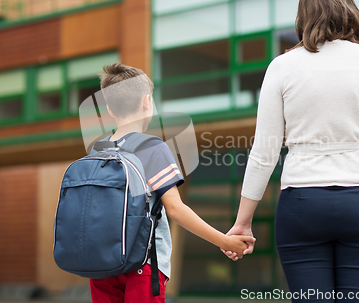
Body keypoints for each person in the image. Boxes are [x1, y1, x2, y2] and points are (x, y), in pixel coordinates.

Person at [222, 0, 359, 302]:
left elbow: (264, 154)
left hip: (303, 206)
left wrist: (243, 222)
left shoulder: (281, 67)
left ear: (303, 14)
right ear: (349, 9)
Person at [88, 63, 255, 303]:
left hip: (103, 264)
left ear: (110, 110)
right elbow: (175, 209)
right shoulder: (151, 148)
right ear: (147, 102)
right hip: (143, 265)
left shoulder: (98, 149)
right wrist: (224, 241)